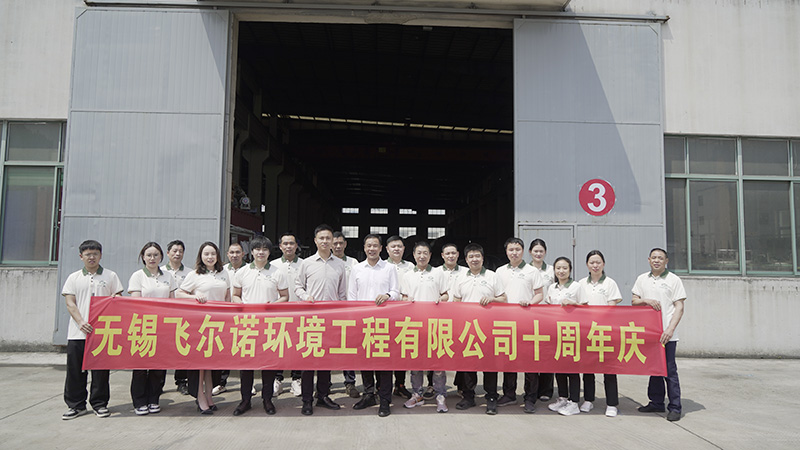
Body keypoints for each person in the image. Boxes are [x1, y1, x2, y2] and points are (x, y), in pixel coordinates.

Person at [61, 240, 123, 420]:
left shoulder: (110, 276)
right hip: (78, 332)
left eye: (95, 254)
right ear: (81, 256)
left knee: (100, 372)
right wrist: (81, 322)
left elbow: (118, 297)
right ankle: (76, 405)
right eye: (88, 254)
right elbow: (70, 302)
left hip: (103, 333)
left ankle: (99, 404)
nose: (91, 257)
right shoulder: (73, 278)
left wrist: (116, 297)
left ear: (100, 255)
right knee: (75, 371)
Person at [231, 236, 289, 416]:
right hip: (247, 324)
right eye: (257, 249)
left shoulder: (277, 272)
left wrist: (272, 306)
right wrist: (243, 306)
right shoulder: (242, 272)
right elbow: (235, 295)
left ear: (269, 252)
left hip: (269, 324)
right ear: (251, 251)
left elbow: (285, 296)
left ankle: (267, 399)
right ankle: (245, 400)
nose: (261, 252)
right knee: (246, 364)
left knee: (268, 364)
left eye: (264, 249)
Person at [295, 224, 347, 416]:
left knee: (326, 361)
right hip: (311, 319)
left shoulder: (340, 265)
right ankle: (307, 400)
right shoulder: (307, 263)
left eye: (328, 238)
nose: (325, 241)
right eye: (321, 238)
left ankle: (323, 396)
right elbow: (298, 286)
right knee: (308, 361)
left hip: (331, 319)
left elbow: (342, 293)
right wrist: (305, 297)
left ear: (333, 241)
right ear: (315, 241)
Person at [348, 234, 400, 417]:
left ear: (381, 248)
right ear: (364, 248)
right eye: (368, 245)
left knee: (384, 362)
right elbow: (351, 296)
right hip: (363, 322)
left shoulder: (389, 268)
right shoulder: (357, 269)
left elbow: (396, 292)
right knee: (365, 360)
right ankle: (369, 394)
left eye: (375, 246)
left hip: (384, 322)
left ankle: (385, 399)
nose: (371, 249)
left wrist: (387, 296)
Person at [632, 248, 687, 422]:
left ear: (666, 261)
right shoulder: (642, 279)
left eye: (660, 258)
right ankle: (656, 402)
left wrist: (670, 329)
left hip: (667, 334)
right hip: (649, 333)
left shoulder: (673, 280)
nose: (657, 260)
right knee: (654, 369)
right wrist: (645, 300)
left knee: (669, 370)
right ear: (649, 260)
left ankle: (675, 407)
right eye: (654, 258)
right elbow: (634, 301)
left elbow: (679, 306)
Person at [452, 243, 507, 414]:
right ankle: (468, 396)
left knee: (489, 364)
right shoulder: (460, 277)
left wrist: (492, 299)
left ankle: (491, 397)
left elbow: (504, 299)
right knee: (468, 363)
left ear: (482, 258)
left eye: (477, 256)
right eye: (471, 257)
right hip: (467, 328)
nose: (474, 259)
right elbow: (456, 301)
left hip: (488, 327)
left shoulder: (492, 276)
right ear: (466, 259)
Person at [177, 242, 231, 415]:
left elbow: (228, 297)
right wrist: (195, 296)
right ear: (200, 256)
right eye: (206, 254)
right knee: (200, 363)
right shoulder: (194, 274)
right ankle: (200, 397)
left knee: (211, 363)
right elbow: (179, 293)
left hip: (218, 324)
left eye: (213, 254)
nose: (210, 257)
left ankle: (209, 396)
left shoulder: (224, 273)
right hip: (200, 324)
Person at [495, 237, 544, 413]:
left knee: (530, 361)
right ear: (506, 252)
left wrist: (530, 302)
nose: (514, 253)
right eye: (511, 250)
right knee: (509, 359)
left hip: (528, 322)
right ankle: (509, 394)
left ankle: (530, 398)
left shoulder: (532, 271)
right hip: (506, 322)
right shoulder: (500, 271)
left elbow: (540, 294)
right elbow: (497, 294)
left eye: (517, 249)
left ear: (523, 251)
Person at [127, 242, 176, 416]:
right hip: (143, 326)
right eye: (149, 255)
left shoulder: (168, 276)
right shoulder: (138, 276)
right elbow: (136, 302)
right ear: (143, 257)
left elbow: (172, 301)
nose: (152, 258)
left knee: (158, 366)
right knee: (141, 367)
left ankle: (154, 399)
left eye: (156, 255)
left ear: (161, 257)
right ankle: (139, 401)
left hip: (162, 327)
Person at [400, 241, 449, 413]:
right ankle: (417, 394)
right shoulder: (407, 275)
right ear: (414, 255)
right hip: (414, 325)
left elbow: (446, 295)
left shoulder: (438, 273)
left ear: (430, 255)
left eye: (425, 253)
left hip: (435, 324)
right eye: (419, 253)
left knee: (437, 364)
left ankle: (440, 395)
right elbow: (403, 297)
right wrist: (407, 300)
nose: (422, 256)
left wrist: (440, 300)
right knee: (416, 363)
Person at [577, 250, 622, 417]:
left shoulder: (610, 283)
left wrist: (598, 319)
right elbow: (579, 306)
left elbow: (612, 307)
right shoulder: (581, 283)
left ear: (603, 264)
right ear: (587, 265)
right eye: (592, 262)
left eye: (598, 262)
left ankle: (612, 403)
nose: (595, 265)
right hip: (587, 332)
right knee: (588, 367)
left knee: (608, 369)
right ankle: (588, 399)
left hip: (605, 331)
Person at [544, 256, 583, 416]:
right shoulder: (552, 288)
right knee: (558, 367)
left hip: (572, 332)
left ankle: (574, 402)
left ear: (570, 270)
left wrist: (574, 304)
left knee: (572, 368)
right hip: (556, 332)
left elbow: (586, 308)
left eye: (564, 268)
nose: (561, 271)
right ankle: (563, 398)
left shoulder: (576, 286)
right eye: (558, 268)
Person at [211, 242, 246, 396]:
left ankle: (247, 383)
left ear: (243, 254)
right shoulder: (222, 271)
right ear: (227, 254)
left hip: (243, 316)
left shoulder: (249, 270)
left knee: (243, 349)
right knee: (224, 349)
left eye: (238, 252)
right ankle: (221, 382)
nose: (234, 255)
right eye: (231, 252)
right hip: (224, 316)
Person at [272, 232, 304, 397]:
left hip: (300, 313)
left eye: (292, 243)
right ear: (280, 246)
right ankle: (277, 379)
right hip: (279, 313)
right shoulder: (273, 265)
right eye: (285, 243)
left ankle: (296, 379)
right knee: (279, 346)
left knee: (298, 347)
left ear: (296, 246)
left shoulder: (305, 264)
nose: (289, 246)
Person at [384, 235, 414, 400]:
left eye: (399, 246)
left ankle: (400, 385)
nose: (396, 249)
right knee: (385, 349)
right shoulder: (382, 265)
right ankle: (382, 385)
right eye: (393, 246)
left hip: (405, 314)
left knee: (402, 350)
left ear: (404, 249)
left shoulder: (410, 267)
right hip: (386, 314)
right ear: (387, 249)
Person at [436, 243, 467, 397]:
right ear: (442, 255)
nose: (450, 256)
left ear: (458, 254)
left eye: (453, 253)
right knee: (437, 350)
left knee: (462, 350)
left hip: (461, 317)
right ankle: (433, 385)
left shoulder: (466, 272)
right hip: (439, 317)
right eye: (447, 253)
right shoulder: (435, 272)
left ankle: (461, 384)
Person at [332, 231, 360, 399]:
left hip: (349, 311)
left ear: (345, 244)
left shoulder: (353, 263)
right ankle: (324, 384)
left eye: (340, 243)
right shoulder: (326, 263)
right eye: (334, 243)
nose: (337, 246)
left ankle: (350, 382)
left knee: (347, 347)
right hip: (330, 311)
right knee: (326, 346)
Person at [162, 239, 191, 395]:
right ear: (168, 253)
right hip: (164, 318)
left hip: (184, 316)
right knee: (162, 349)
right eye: (174, 251)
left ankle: (181, 381)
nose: (177, 254)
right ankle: (158, 383)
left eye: (180, 251)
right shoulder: (160, 271)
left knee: (182, 348)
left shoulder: (190, 273)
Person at [529, 238, 556, 401]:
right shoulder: (526, 270)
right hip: (530, 315)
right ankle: (532, 389)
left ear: (545, 252)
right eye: (535, 251)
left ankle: (546, 389)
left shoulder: (552, 270)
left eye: (541, 251)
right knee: (531, 353)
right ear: (530, 252)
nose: (538, 254)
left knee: (546, 352)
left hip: (548, 316)